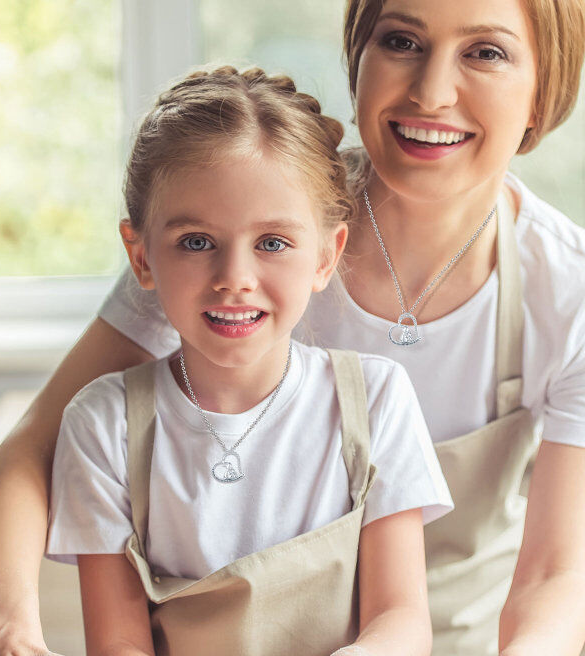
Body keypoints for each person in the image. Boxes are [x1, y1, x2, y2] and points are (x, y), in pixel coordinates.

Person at [0, 0, 585, 656]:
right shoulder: (246, 226)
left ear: (543, 90)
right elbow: (33, 450)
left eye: (485, 52)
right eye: (400, 41)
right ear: (356, 55)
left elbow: (555, 580)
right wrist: (4, 631)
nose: (430, 91)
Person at [45, 65, 451, 656]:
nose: (235, 279)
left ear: (324, 256)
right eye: (196, 242)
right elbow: (119, 645)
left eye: (273, 243)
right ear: (141, 256)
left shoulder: (375, 399)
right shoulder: (104, 424)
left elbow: (400, 620)